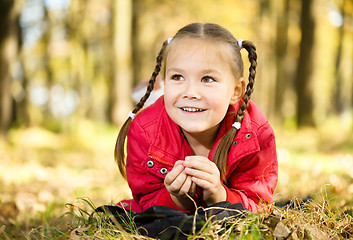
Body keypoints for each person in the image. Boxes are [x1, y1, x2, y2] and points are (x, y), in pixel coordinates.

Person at [114, 23, 278, 214]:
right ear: (164, 82)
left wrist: (220, 196)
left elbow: (259, 205)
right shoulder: (144, 130)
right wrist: (177, 200)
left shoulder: (256, 135)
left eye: (207, 79)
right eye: (177, 77)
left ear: (235, 91)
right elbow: (145, 200)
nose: (190, 92)